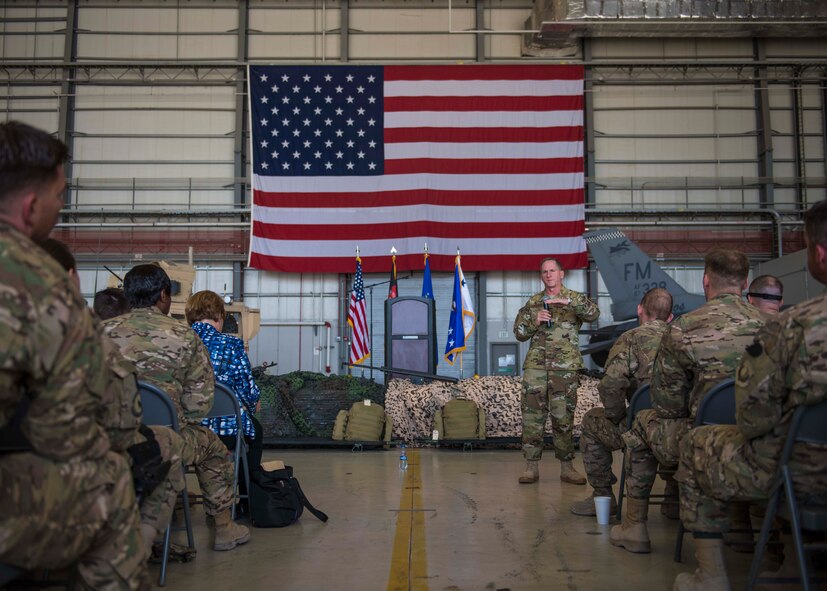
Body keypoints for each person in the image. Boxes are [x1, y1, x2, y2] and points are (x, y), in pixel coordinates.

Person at [0, 120, 149, 589]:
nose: (61, 208)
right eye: (60, 197)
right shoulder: (37, 283)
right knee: (109, 478)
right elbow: (64, 435)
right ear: (30, 207)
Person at [672, 201, 827, 591]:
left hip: (810, 475)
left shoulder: (793, 326)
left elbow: (754, 417)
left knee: (697, 442)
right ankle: (792, 559)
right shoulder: (770, 320)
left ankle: (712, 576)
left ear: (819, 254)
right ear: (745, 284)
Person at [610, 248, 765, 555]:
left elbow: (668, 404)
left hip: (701, 439)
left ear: (705, 280)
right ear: (746, 283)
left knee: (642, 423)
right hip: (760, 440)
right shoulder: (773, 325)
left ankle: (635, 527)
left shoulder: (684, 327)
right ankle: (743, 528)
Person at [38, 237, 186, 557]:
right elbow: (122, 422)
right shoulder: (82, 336)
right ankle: (138, 547)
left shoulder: (101, 331)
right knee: (170, 444)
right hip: (73, 466)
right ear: (68, 277)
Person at [103, 263, 251, 552]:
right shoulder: (184, 336)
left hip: (107, 440)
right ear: (163, 295)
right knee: (215, 449)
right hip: (166, 441)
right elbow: (200, 404)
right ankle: (223, 528)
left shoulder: (99, 332)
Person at [569, 287, 673, 516]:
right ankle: (673, 498)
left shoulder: (630, 339)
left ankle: (603, 497)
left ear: (639, 310)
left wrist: (617, 417)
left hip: (640, 427)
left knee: (591, 422)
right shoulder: (685, 338)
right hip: (680, 430)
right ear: (671, 316)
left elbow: (610, 385)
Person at [513, 257, 600, 485]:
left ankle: (567, 467)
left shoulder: (575, 299)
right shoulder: (534, 302)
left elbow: (594, 314)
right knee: (532, 417)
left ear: (562, 274)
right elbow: (519, 333)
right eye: (544, 272)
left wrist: (570, 303)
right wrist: (535, 320)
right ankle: (531, 467)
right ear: (541, 276)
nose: (549, 274)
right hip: (536, 368)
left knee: (563, 418)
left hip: (565, 369)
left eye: (552, 270)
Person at [185, 290, 263, 498]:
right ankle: (249, 499)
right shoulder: (231, 345)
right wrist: (254, 401)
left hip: (184, 432)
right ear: (220, 317)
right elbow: (246, 389)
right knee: (256, 431)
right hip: (225, 432)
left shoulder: (176, 343)